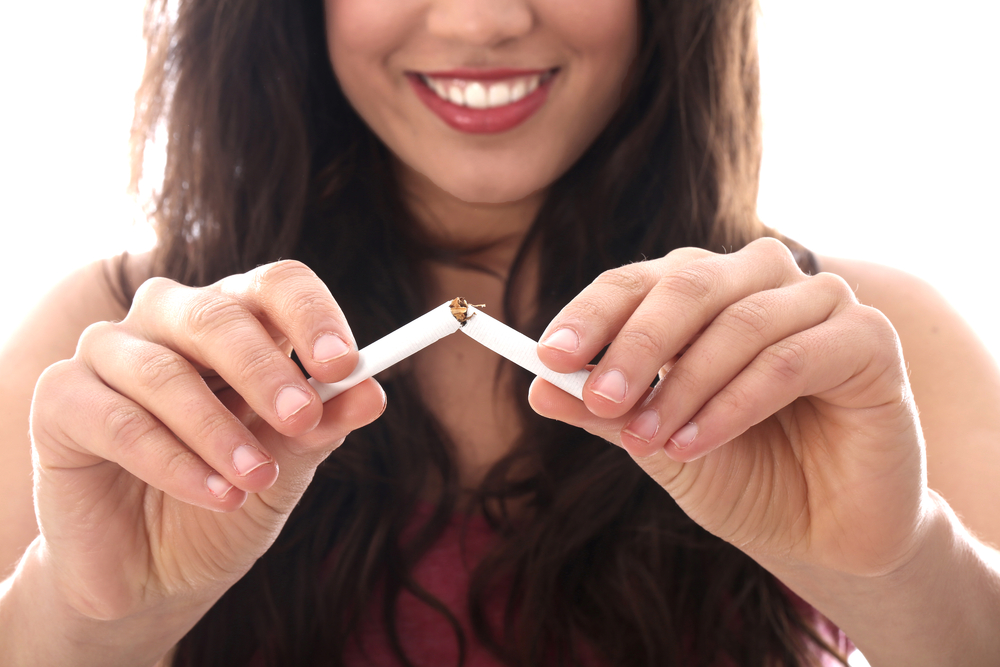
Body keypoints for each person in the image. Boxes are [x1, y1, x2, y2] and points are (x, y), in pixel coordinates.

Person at [1, 0, 998, 664]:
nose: (483, 20)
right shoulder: (112, 355)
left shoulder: (856, 350)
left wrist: (899, 564)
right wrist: (97, 620)